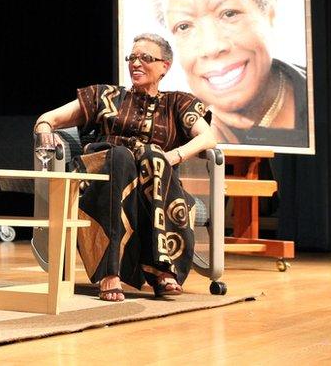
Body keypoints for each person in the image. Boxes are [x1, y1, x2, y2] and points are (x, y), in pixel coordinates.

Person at [34, 33, 217, 301]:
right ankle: (110, 273)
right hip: (102, 173)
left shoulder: (178, 103)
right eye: (132, 58)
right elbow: (48, 118)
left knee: (152, 156)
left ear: (164, 66)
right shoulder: (106, 96)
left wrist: (172, 156)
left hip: (153, 182)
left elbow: (208, 137)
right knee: (120, 156)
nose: (136, 63)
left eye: (145, 58)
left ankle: (161, 266)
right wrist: (44, 129)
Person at [149, 0, 308, 148]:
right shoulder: (170, 133)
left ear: (268, 9)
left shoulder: (328, 104)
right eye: (184, 26)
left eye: (229, 13)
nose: (212, 46)